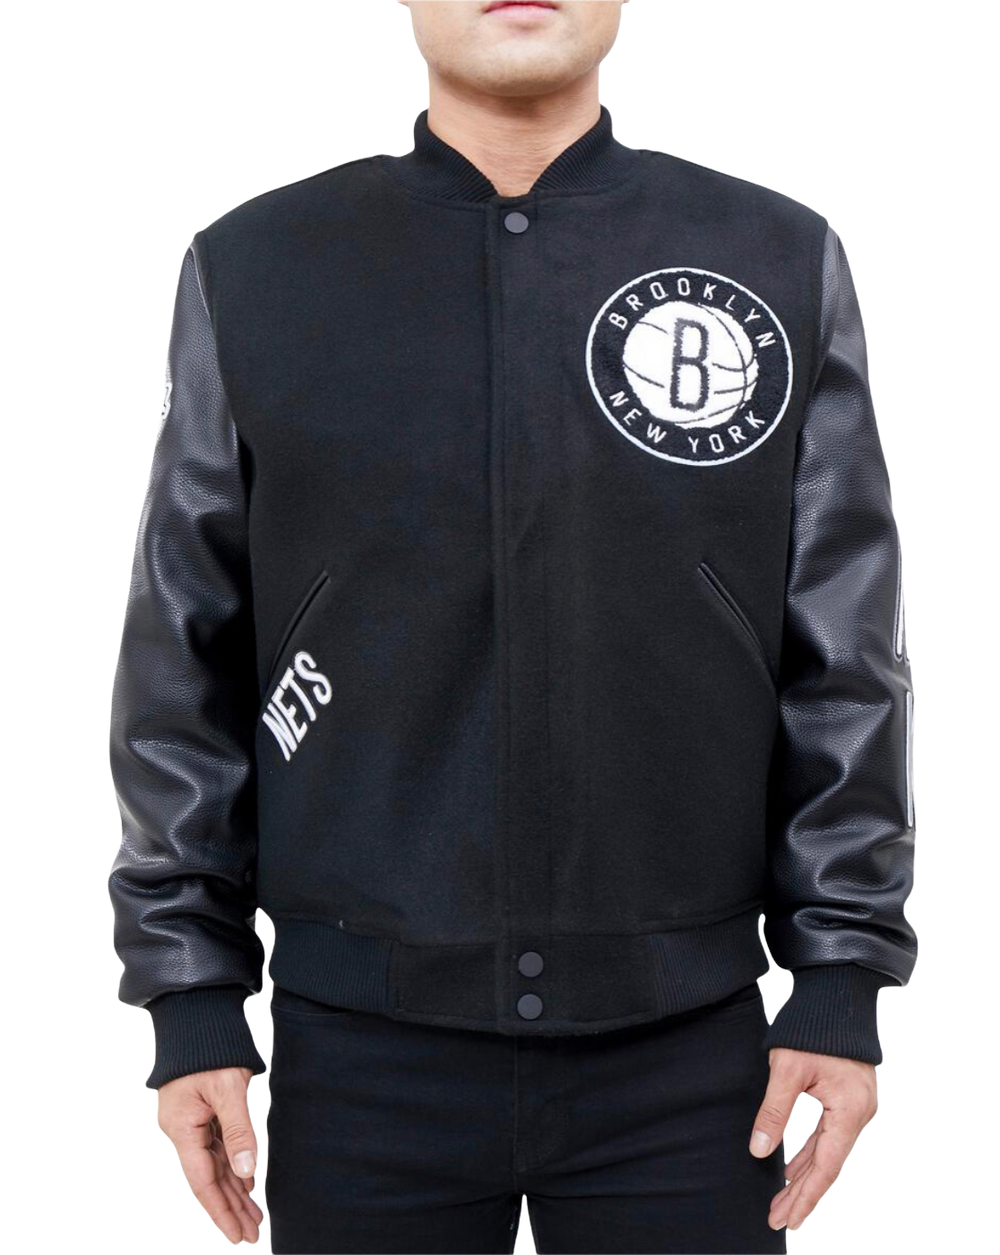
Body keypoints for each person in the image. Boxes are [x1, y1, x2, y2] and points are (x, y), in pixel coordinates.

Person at [105, 2, 920, 1250]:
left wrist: (842, 978)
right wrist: (190, 995)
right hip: (350, 1059)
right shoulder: (255, 261)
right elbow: (182, 654)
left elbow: (846, 651)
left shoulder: (772, 249)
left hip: (702, 1059)